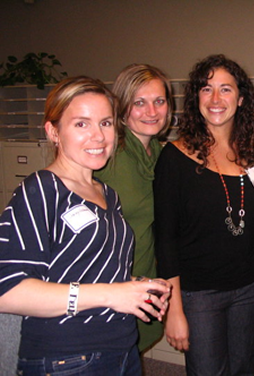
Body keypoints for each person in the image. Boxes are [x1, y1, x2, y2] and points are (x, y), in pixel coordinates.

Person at [0, 76, 171, 376]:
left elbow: (84, 270)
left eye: (105, 123)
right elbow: (8, 291)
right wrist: (111, 295)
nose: (98, 136)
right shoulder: (41, 189)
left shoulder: (107, 194)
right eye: (82, 124)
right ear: (53, 132)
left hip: (121, 348)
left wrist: (134, 286)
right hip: (66, 358)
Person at [154, 54, 254, 376]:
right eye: (206, 89)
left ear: (241, 98)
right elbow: (165, 239)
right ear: (196, 98)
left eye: (226, 89)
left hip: (252, 285)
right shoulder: (174, 158)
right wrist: (173, 310)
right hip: (199, 293)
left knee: (244, 368)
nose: (216, 99)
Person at [95, 63, 173, 352]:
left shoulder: (163, 154)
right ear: (123, 107)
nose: (151, 112)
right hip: (109, 285)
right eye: (139, 102)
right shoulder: (107, 153)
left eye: (159, 101)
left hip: (144, 275)